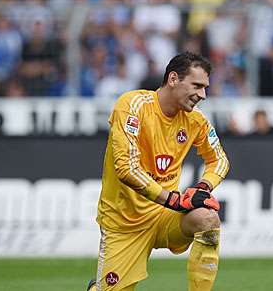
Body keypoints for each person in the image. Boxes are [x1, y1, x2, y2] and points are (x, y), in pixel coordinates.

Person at [87, 51, 230, 291]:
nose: (202, 95)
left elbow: (220, 160)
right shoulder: (132, 105)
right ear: (173, 79)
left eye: (205, 88)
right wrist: (174, 200)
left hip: (164, 216)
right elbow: (126, 168)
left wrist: (203, 187)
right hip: (124, 223)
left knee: (207, 219)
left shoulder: (196, 120)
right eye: (197, 85)